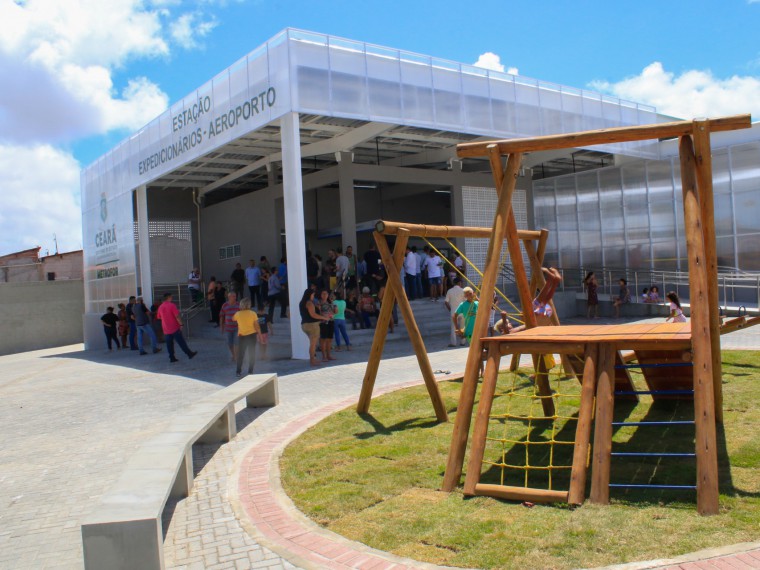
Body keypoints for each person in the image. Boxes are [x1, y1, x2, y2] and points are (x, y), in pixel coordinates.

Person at [500, 268, 563, 333]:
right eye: (508, 324)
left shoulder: (517, 329)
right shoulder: (510, 332)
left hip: (544, 313)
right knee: (539, 302)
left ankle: (553, 282)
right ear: (501, 328)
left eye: (508, 323)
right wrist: (504, 318)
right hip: (543, 317)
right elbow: (506, 332)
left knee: (542, 301)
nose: (510, 323)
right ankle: (551, 281)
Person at [156, 292, 198, 363]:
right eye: (171, 297)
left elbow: (159, 317)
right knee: (181, 342)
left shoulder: (160, 307)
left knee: (169, 344)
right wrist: (181, 324)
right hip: (174, 327)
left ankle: (172, 357)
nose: (172, 298)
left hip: (166, 329)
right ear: (168, 297)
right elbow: (177, 316)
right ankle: (189, 353)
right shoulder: (172, 305)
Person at [299, 288, 331, 366]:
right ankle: (312, 360)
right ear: (309, 295)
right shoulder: (309, 303)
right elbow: (313, 315)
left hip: (304, 325)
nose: (313, 296)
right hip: (312, 326)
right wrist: (324, 318)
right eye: (313, 294)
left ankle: (313, 359)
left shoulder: (301, 303)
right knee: (313, 344)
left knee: (312, 343)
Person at [232, 297, 260, 377]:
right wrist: (259, 334)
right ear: (249, 305)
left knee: (241, 354)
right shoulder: (253, 313)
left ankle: (238, 371)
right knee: (252, 353)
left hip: (242, 336)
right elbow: (256, 325)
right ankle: (250, 371)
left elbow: (233, 319)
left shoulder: (238, 314)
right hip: (252, 335)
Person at [219, 291, 240, 363]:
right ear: (229, 297)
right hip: (228, 328)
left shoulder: (239, 305)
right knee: (230, 343)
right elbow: (221, 316)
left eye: (235, 296)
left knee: (237, 342)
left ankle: (236, 356)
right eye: (233, 296)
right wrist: (221, 326)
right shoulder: (224, 305)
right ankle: (233, 355)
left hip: (237, 327)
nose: (235, 297)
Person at [445, 277, 466, 347]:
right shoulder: (463, 291)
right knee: (463, 327)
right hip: (462, 312)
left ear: (454, 283)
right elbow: (466, 302)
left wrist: (450, 309)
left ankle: (453, 343)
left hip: (453, 312)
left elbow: (446, 302)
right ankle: (463, 342)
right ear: (459, 283)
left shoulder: (449, 291)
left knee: (453, 328)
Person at [317, 289, 336, 362]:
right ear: (321, 295)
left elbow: (335, 311)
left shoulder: (330, 302)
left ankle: (329, 355)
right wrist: (324, 315)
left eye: (326, 294)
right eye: (323, 294)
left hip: (331, 321)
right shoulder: (319, 302)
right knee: (323, 339)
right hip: (323, 322)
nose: (324, 295)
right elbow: (318, 312)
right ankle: (324, 356)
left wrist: (334, 311)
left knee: (329, 339)